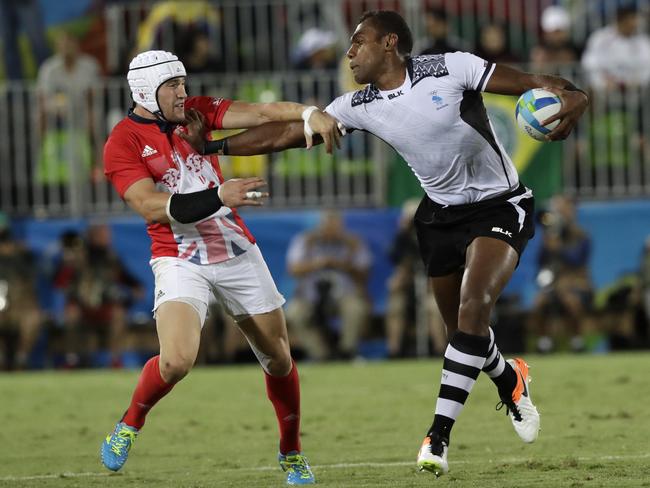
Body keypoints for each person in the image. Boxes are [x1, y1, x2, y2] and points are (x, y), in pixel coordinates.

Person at [182, 10, 589, 476]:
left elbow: (537, 82)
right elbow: (290, 132)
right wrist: (213, 147)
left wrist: (576, 96)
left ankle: (437, 437)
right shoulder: (360, 104)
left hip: (500, 204)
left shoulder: (451, 67)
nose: (349, 52)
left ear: (390, 43)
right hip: (439, 216)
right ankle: (509, 377)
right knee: (463, 332)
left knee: (475, 306)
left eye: (359, 42)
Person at [100, 49, 340, 485]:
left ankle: (291, 451)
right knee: (176, 361)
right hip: (178, 256)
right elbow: (149, 206)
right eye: (172, 86)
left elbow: (263, 112)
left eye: (183, 83)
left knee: (280, 360)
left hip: (234, 249)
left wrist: (310, 114)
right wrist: (218, 196)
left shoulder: (196, 112)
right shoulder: (123, 141)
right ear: (143, 91)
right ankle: (129, 424)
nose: (183, 93)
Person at [285, 210, 372, 360]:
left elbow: (364, 273)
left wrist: (342, 264)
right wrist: (318, 263)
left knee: (355, 308)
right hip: (310, 295)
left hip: (344, 294)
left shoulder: (352, 242)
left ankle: (347, 352)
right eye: (327, 226)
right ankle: (320, 355)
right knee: (294, 312)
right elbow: (293, 269)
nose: (331, 231)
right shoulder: (306, 241)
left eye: (335, 226)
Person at [528, 195, 593, 353]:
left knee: (571, 302)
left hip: (578, 284)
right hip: (554, 286)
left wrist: (558, 248)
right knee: (538, 303)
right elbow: (541, 262)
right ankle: (544, 341)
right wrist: (548, 244)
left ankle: (577, 341)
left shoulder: (582, 235)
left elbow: (577, 260)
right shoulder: (550, 236)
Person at [581, 5, 650, 91]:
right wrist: (601, 82)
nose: (635, 24)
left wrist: (640, 82)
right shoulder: (600, 37)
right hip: (606, 89)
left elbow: (647, 65)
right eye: (631, 20)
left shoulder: (643, 41)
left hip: (636, 91)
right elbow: (589, 62)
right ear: (620, 20)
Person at [530, 6, 580, 73]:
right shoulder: (539, 50)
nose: (556, 36)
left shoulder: (574, 49)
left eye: (559, 32)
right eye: (554, 32)